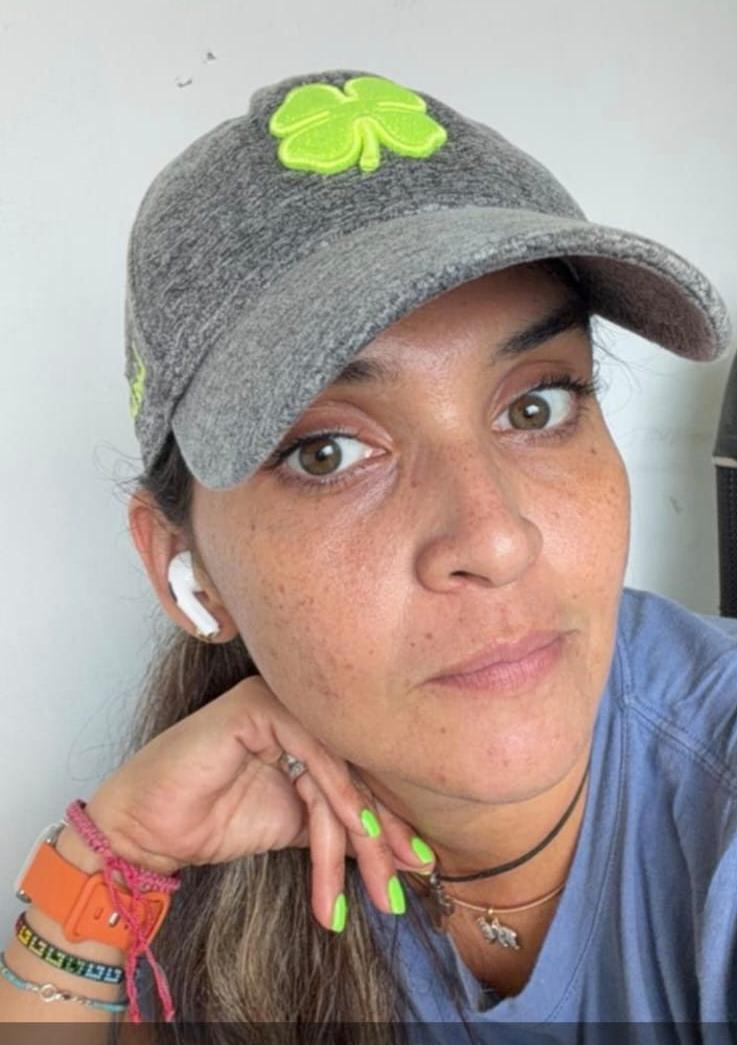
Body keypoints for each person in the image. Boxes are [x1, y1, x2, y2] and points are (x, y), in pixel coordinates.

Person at [2, 66, 736, 1041]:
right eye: (329, 453)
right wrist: (102, 872)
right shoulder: (197, 866)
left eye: (535, 405)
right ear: (188, 571)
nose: (494, 538)